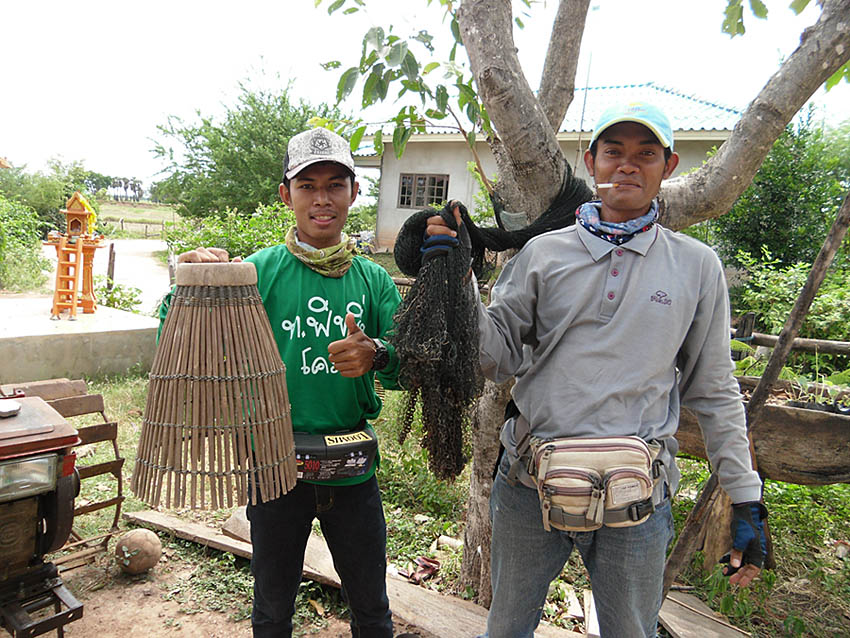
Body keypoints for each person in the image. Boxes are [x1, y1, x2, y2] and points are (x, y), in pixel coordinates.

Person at [426, 102, 768, 638]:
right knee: (507, 627)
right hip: (529, 483)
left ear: (668, 167)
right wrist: (461, 276)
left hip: (637, 498)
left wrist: (746, 496)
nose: (628, 166)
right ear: (591, 162)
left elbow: (716, 390)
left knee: (632, 631)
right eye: (614, 152)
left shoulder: (696, 267)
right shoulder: (542, 254)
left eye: (645, 154)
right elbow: (497, 358)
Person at [166, 128, 412, 638]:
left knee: (371, 606)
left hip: (351, 472)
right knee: (272, 608)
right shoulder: (256, 273)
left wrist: (377, 354)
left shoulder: (374, 281)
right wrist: (186, 284)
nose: (322, 199)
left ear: (354, 194)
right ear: (286, 195)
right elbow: (181, 334)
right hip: (274, 468)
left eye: (335, 184)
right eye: (307, 185)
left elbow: (406, 367)